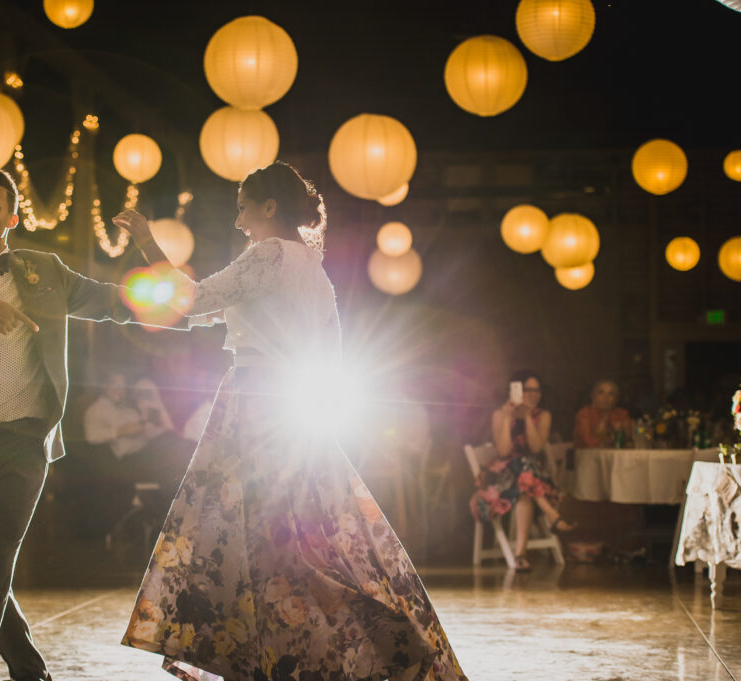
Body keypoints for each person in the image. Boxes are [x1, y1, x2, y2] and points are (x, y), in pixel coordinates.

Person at [113, 161, 466, 681]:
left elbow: (189, 302)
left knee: (246, 537)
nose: (238, 222)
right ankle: (307, 653)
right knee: (306, 536)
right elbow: (330, 351)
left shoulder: (269, 254)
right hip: (298, 410)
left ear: (268, 207)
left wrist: (146, 239)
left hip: (256, 404)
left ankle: (280, 656)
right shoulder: (313, 270)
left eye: (242, 208)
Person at [0, 168, 173, 681]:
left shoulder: (45, 269)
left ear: (10, 217)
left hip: (22, 447)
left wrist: (151, 252)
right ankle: (32, 674)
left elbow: (118, 303)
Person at [470, 370, 574, 571]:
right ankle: (552, 514)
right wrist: (509, 418)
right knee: (523, 465)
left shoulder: (543, 416)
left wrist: (526, 417)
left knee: (525, 475)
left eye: (537, 390)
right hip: (501, 480)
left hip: (530, 481)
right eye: (527, 390)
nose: (534, 394)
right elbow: (503, 451)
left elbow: (535, 448)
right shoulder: (500, 414)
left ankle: (519, 556)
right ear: (515, 390)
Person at [83, 370, 193, 501]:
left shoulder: (126, 408)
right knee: (176, 450)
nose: (120, 390)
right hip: (134, 459)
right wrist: (119, 431)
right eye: (115, 384)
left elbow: (145, 427)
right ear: (103, 386)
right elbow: (91, 436)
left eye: (123, 386)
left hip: (149, 449)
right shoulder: (96, 409)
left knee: (178, 446)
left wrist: (150, 420)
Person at [573, 378, 633, 448]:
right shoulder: (584, 414)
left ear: (616, 399)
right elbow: (590, 442)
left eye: (611, 394)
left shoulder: (622, 413)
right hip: (588, 456)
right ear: (593, 396)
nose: (605, 397)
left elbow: (629, 440)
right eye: (601, 393)